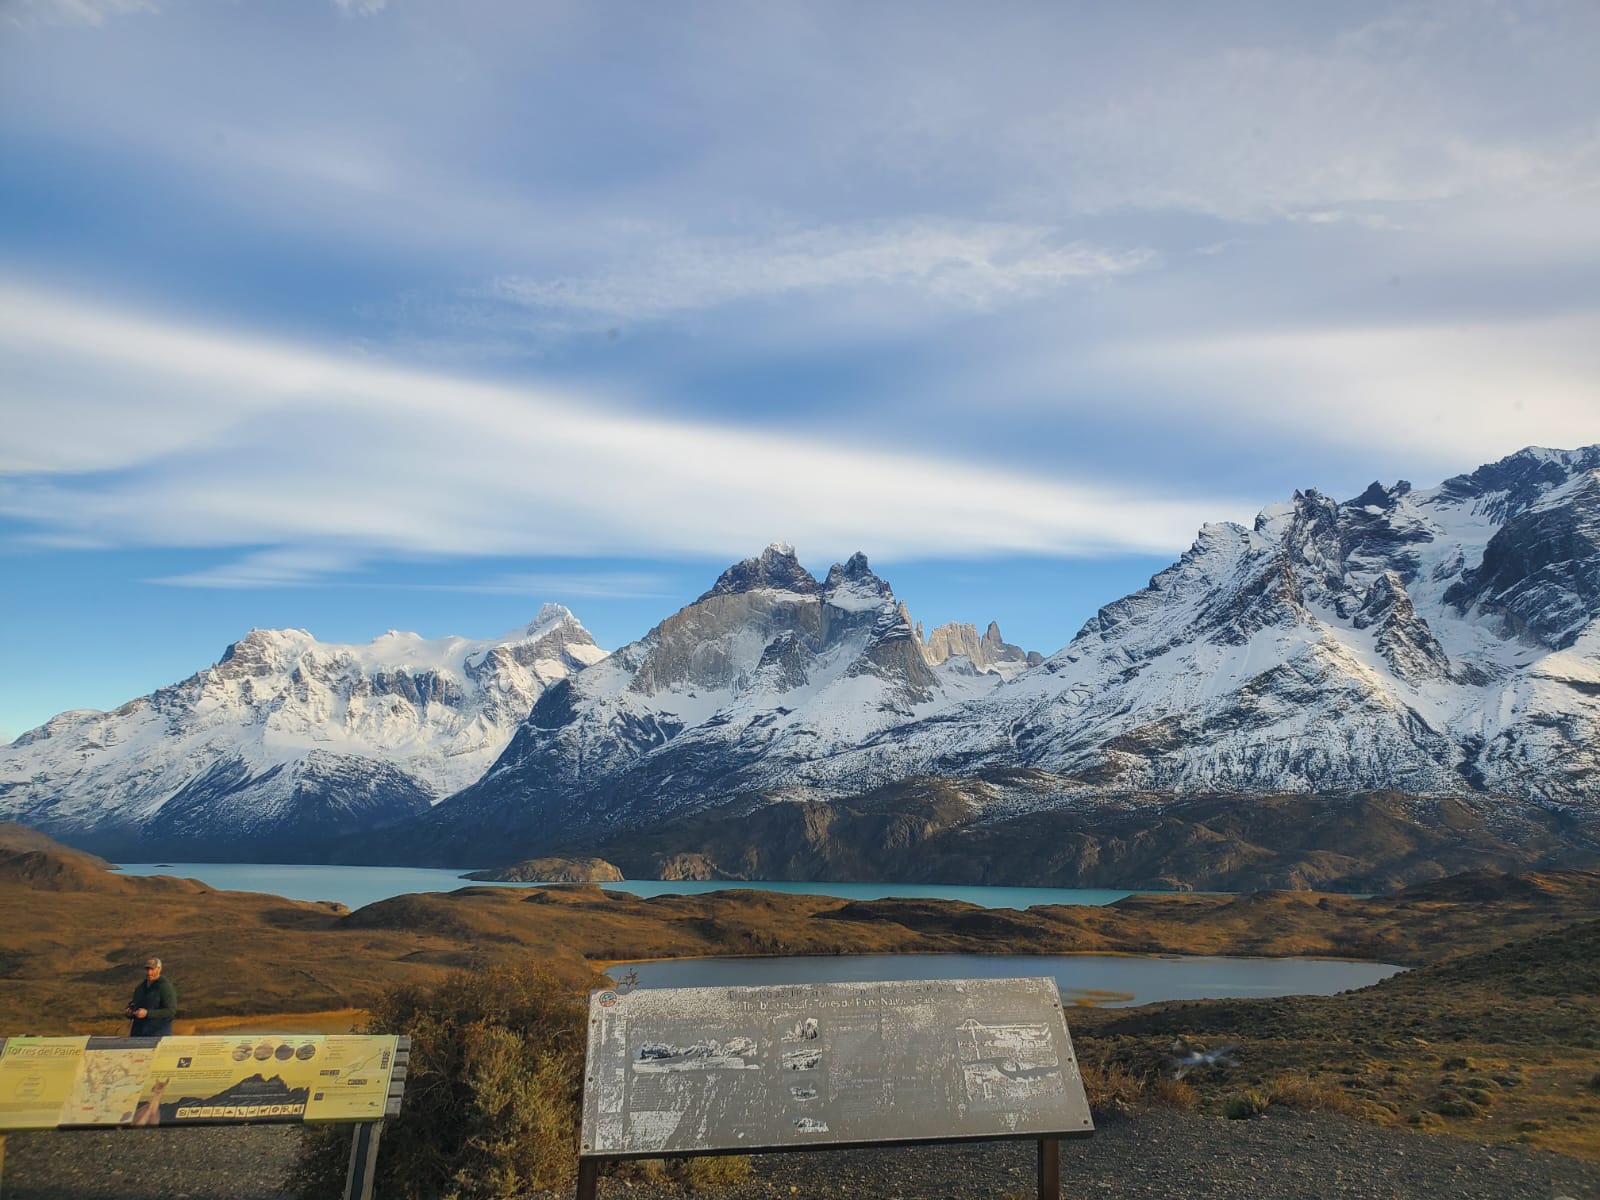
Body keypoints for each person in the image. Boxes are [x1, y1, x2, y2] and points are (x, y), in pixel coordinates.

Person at [125, 957, 177, 1037]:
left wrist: (148, 1013)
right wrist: (130, 1012)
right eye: (147, 969)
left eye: (152, 969)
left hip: (158, 1034)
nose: (149, 972)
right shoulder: (140, 988)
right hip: (137, 1034)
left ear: (159, 969)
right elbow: (134, 1004)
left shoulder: (165, 987)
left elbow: (170, 1011)